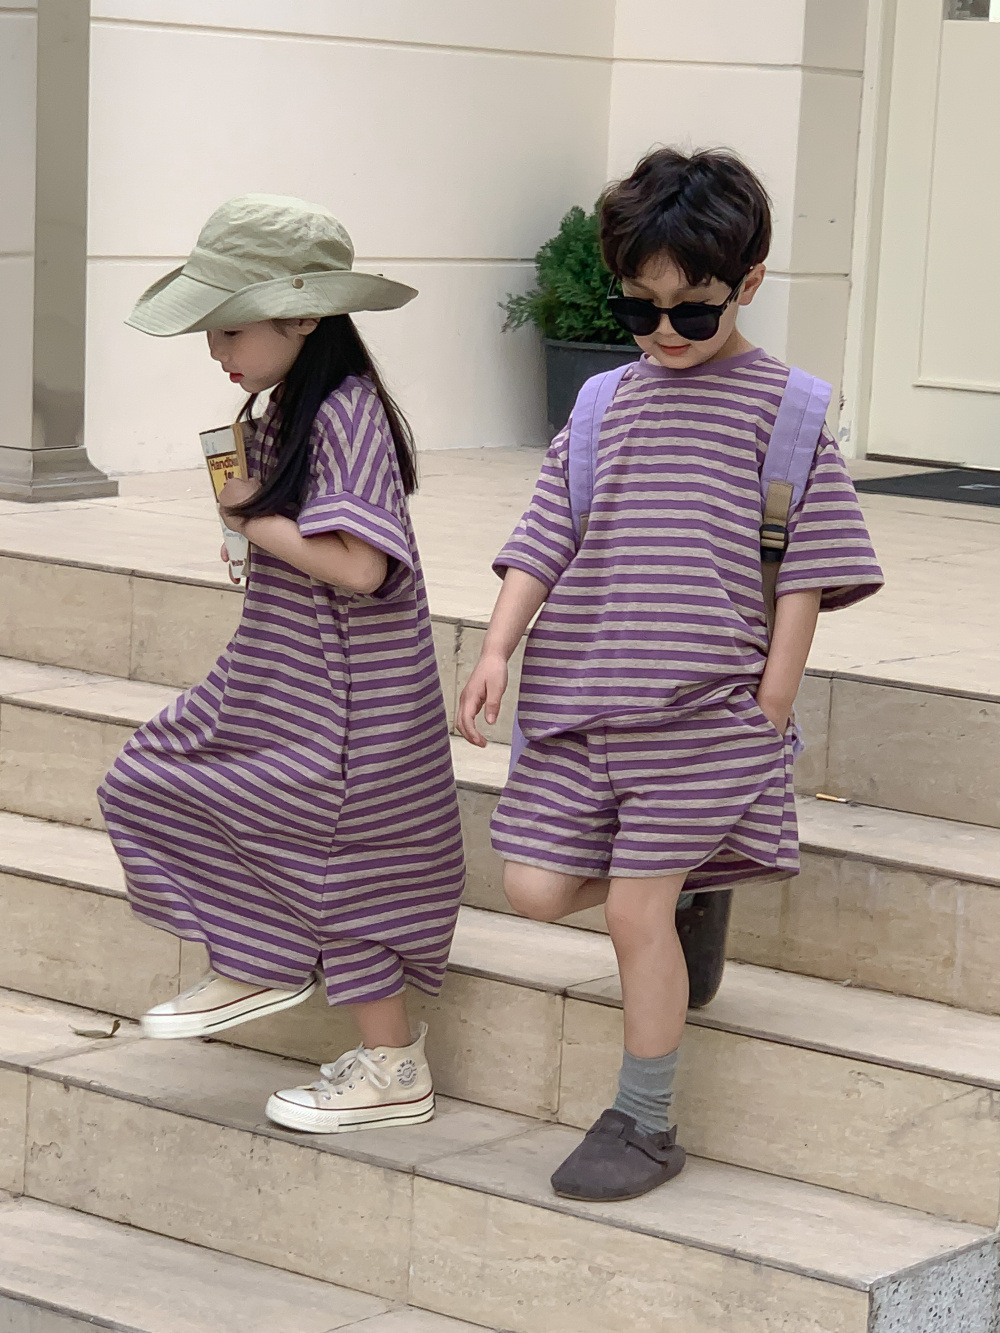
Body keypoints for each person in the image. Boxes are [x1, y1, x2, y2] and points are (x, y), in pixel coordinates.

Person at [457, 148, 883, 1202]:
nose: (664, 331)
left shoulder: (789, 412)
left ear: (747, 284)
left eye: (692, 309)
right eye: (638, 308)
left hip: (707, 714)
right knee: (534, 888)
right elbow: (545, 534)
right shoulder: (603, 403)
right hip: (583, 705)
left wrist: (770, 705)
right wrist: (498, 646)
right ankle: (698, 874)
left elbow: (807, 573)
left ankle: (644, 1123)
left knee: (629, 910)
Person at [99, 194, 465, 1134]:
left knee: (349, 874)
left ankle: (382, 1058)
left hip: (348, 695)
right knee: (152, 777)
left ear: (303, 316)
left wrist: (253, 519)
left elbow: (364, 566)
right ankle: (262, 962)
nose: (215, 350)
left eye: (230, 327)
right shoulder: (287, 408)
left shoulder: (347, 411)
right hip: (284, 667)